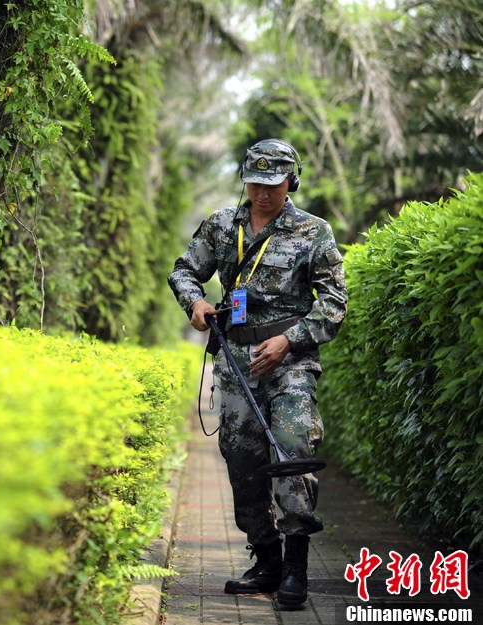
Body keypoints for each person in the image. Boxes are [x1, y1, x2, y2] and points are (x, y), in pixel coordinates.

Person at [167, 139, 347, 609]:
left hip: (290, 362)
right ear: (244, 180)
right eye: (255, 183)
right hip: (235, 362)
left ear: (292, 181)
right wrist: (195, 302)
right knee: (242, 463)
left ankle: (296, 568)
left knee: (292, 450)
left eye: (273, 184)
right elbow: (184, 271)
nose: (263, 193)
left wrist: (290, 340)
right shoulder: (222, 225)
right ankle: (266, 559)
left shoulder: (314, 232)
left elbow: (334, 303)